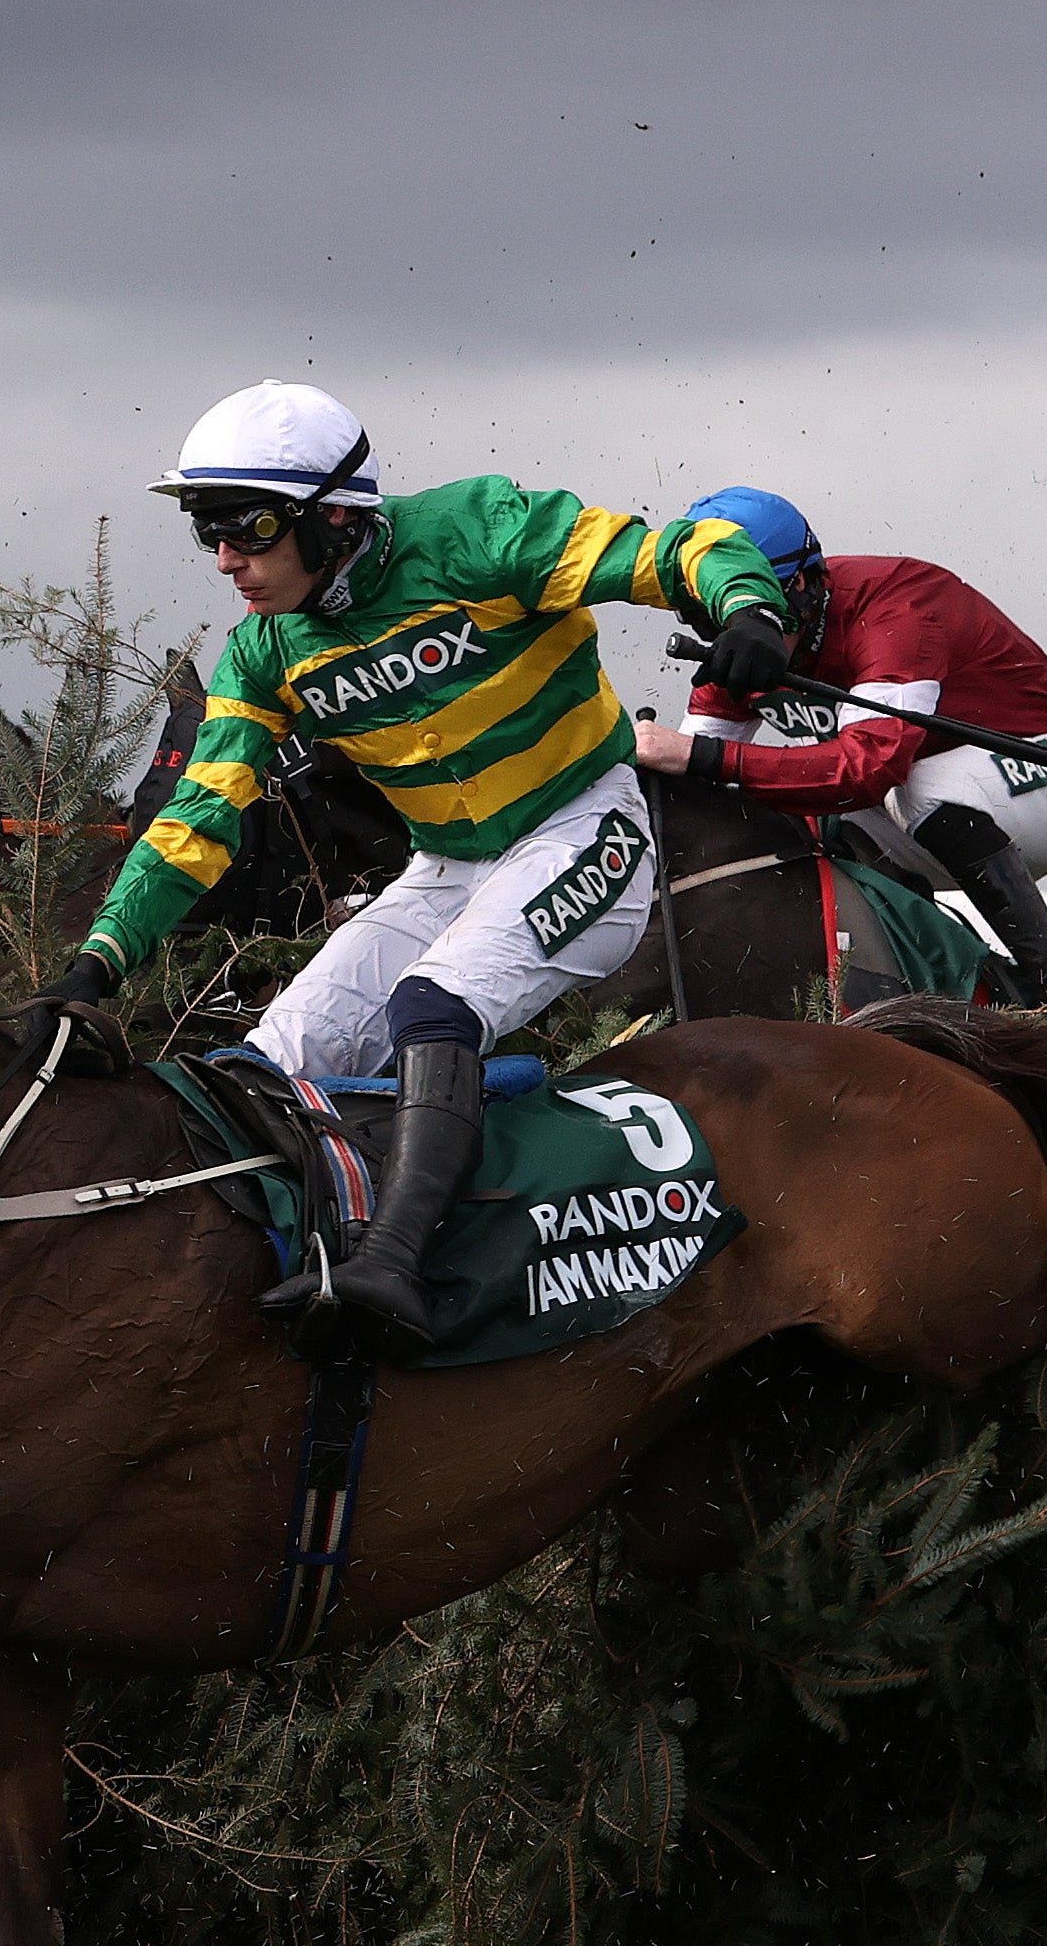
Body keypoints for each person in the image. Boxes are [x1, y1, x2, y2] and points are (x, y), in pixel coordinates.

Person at [55, 382, 793, 1350]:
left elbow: (669, 551)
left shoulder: (475, 530)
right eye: (208, 531)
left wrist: (748, 605)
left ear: (332, 516)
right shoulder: (263, 649)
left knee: (433, 1006)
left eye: (246, 526)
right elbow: (200, 815)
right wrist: (98, 961)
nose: (227, 557)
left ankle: (395, 1264)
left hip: (582, 823)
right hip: (445, 865)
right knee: (277, 1060)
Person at [629, 489, 1047, 1005]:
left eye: (753, 608)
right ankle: (962, 987)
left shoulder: (895, 608)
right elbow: (694, 786)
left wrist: (700, 757)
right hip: (939, 809)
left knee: (920, 788)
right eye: (704, 616)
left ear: (801, 587)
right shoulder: (743, 645)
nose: (728, 627)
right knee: (806, 833)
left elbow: (869, 769)